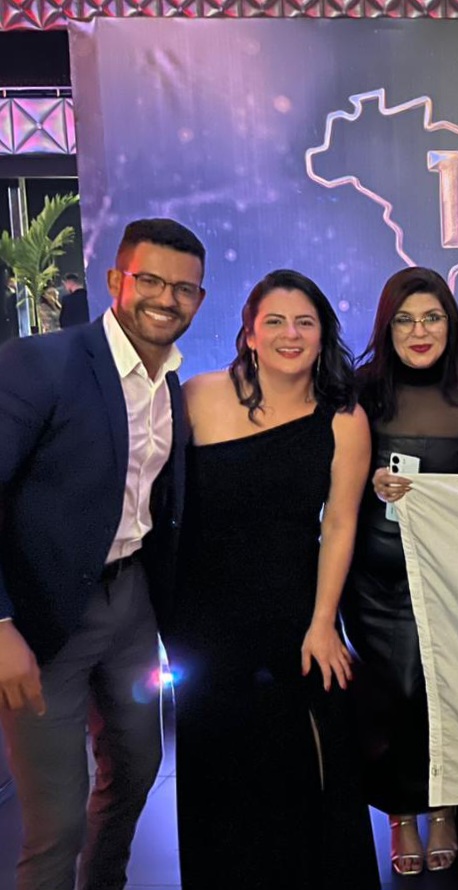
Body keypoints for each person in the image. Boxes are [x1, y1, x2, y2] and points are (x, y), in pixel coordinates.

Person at [0, 218, 205, 890]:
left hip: (130, 602)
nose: (167, 298)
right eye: (151, 280)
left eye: (184, 288)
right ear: (117, 280)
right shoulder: (41, 363)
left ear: (199, 300)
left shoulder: (171, 385)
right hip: (41, 618)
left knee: (138, 769)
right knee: (55, 823)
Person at [169, 270, 378, 888]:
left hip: (298, 614)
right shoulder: (199, 396)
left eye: (305, 322)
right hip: (204, 622)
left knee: (311, 769)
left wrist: (324, 623)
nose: (291, 334)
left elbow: (340, 523)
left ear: (322, 334)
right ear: (250, 333)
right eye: (276, 321)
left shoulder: (344, 418)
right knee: (220, 775)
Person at [343, 266, 458, 876]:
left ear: (450, 324)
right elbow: (330, 482)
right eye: (405, 320)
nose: (420, 331)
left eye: (432, 318)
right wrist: (366, 479)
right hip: (373, 581)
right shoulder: (361, 390)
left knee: (441, 697)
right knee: (389, 700)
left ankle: (444, 807)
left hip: (447, 579)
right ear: (387, 327)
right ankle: (399, 815)